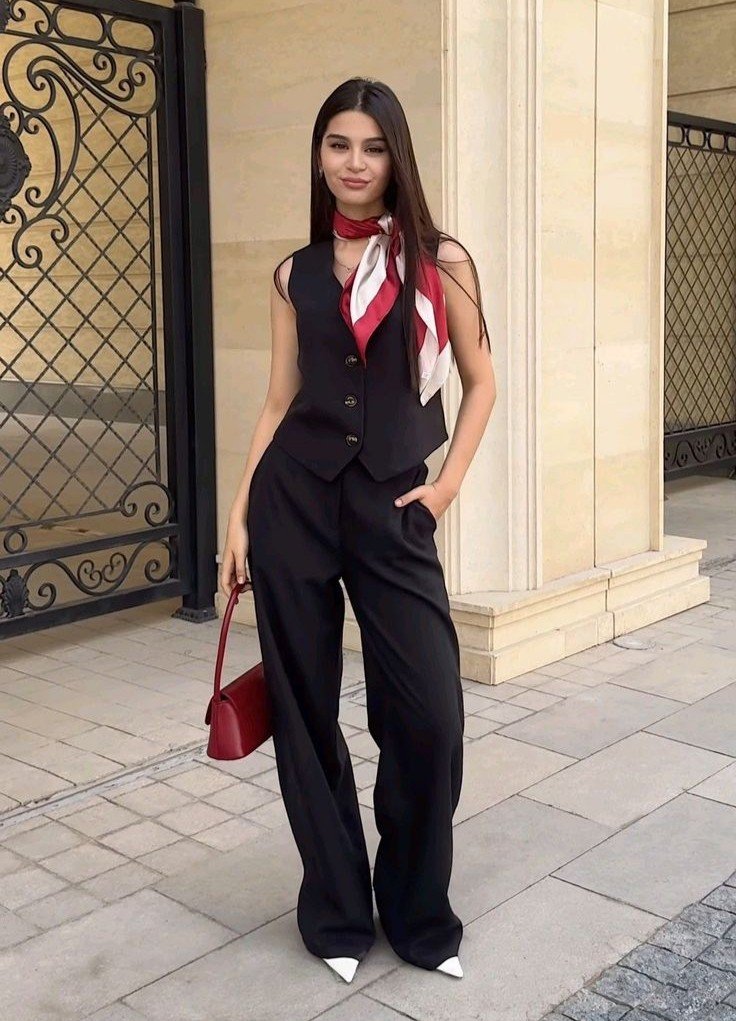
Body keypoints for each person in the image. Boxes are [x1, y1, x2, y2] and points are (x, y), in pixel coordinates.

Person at [220, 77, 496, 984]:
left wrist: (445, 488)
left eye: (372, 147)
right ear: (319, 154)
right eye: (338, 144)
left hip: (394, 509)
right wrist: (239, 515)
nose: (354, 162)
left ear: (395, 157)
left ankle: (418, 912)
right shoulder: (293, 273)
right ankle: (337, 913)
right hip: (294, 505)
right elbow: (279, 399)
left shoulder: (440, 261)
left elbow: (481, 381)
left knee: (428, 715)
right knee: (304, 714)